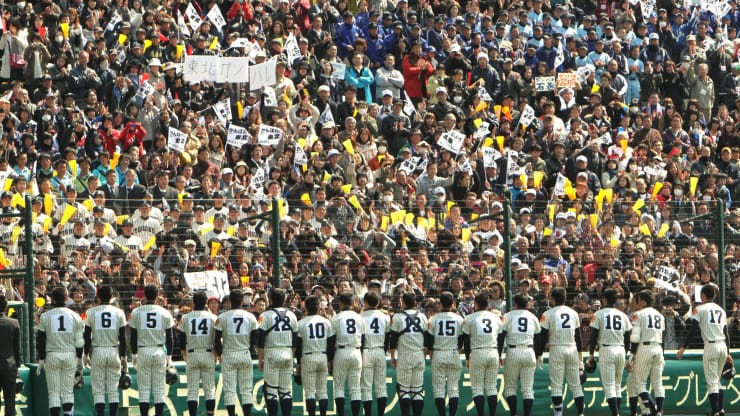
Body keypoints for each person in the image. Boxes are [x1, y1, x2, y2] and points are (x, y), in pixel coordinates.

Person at [677, 284, 733, 416]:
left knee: (712, 382)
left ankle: (715, 412)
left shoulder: (699, 309)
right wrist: (728, 352)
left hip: (711, 346)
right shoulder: (721, 310)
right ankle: (721, 409)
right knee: (717, 380)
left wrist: (683, 347)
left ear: (703, 295)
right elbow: (727, 333)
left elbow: (692, 330)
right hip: (723, 346)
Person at [37, 286, 85, 416]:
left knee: (54, 393)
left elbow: (40, 339)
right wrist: (80, 359)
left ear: (52, 299)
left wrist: (41, 358)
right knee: (67, 392)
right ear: (66, 298)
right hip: (70, 354)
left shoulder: (45, 316)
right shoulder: (75, 316)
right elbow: (80, 341)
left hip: (52, 354)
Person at [128, 284, 175, 416]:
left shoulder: (136, 312)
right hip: (159, 350)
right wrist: (169, 359)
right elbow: (170, 338)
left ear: (144, 295)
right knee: (159, 390)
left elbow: (133, 337)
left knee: (144, 390)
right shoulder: (164, 312)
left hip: (143, 350)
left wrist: (134, 355)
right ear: (157, 294)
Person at [537, 287, 585, 416]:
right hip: (572, 348)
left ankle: (558, 414)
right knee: (576, 384)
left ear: (553, 298)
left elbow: (542, 336)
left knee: (557, 385)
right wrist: (581, 358)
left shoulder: (548, 314)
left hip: (557, 348)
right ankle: (580, 413)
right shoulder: (573, 313)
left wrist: (539, 354)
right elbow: (578, 337)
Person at [83, 285, 127, 416]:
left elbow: (86, 336)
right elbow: (123, 338)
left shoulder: (91, 312)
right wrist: (123, 356)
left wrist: (85, 354)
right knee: (113, 390)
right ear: (112, 296)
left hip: (98, 350)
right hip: (114, 350)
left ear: (98, 297)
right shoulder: (119, 312)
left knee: (98, 391)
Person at [214, 289, 258, 416]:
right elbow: (255, 337)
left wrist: (220, 353)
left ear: (229, 301)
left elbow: (216, 339)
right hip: (244, 353)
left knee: (229, 391)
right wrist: (248, 348)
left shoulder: (222, 317)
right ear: (243, 301)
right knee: (246, 390)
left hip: (228, 353)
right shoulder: (250, 316)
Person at [589, 289, 632, 416]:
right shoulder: (623, 315)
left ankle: (615, 414)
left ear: (605, 300)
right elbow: (628, 336)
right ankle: (616, 413)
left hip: (607, 350)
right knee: (617, 385)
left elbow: (593, 336)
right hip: (621, 350)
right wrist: (627, 353)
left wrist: (591, 354)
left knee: (609, 386)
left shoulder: (599, 314)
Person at [256, 288, 298, 416]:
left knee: (271, 391)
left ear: (271, 299)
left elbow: (261, 339)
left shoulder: (265, 315)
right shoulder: (292, 315)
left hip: (272, 353)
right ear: (284, 299)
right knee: (286, 391)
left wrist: (260, 358)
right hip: (287, 352)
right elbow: (295, 339)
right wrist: (291, 355)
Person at [462, 291, 503, 416]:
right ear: (487, 303)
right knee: (491, 387)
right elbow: (501, 338)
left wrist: (467, 357)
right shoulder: (496, 317)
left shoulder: (469, 318)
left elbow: (466, 339)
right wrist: (499, 354)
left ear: (475, 303)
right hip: (493, 351)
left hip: (477, 352)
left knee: (477, 388)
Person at [178, 291, 217, 416]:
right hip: (208, 352)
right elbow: (217, 339)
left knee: (192, 390)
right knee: (210, 389)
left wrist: (184, 353)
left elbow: (181, 339)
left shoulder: (186, 317)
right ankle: (210, 414)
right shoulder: (213, 317)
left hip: (192, 353)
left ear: (193, 303)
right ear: (206, 303)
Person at [501, 294, 541, 416]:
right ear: (527, 304)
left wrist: (498, 354)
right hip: (529, 351)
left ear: (515, 304)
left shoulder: (508, 316)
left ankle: (514, 414)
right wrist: (539, 355)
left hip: (513, 351)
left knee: (510, 388)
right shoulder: (533, 317)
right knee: (527, 389)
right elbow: (539, 337)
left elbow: (501, 335)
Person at [389, 291, 428, 416]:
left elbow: (393, 339)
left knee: (404, 389)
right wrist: (424, 354)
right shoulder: (422, 316)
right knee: (417, 390)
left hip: (404, 355)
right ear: (415, 302)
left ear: (403, 302)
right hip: (419, 354)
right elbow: (427, 339)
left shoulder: (398, 317)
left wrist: (392, 356)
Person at [425, 291, 463, 416]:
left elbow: (429, 341)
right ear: (453, 304)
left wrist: (430, 355)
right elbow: (462, 339)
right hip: (453, 352)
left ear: (440, 304)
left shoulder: (433, 319)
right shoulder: (459, 319)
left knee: (439, 389)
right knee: (453, 388)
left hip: (438, 353)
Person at [628, 290, 666, 416]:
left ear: (643, 301)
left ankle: (654, 408)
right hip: (659, 347)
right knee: (657, 383)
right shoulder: (660, 315)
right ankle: (660, 411)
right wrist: (663, 354)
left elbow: (635, 338)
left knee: (639, 384)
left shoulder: (638, 314)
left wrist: (632, 356)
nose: (637, 302)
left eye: (638, 299)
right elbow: (663, 336)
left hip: (645, 348)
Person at [295, 295, 333, 416]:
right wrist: (330, 359)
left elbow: (299, 345)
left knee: (310, 392)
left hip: (308, 356)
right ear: (319, 308)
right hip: (323, 356)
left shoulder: (301, 323)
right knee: (322, 391)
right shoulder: (326, 322)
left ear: (305, 307)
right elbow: (331, 343)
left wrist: (299, 363)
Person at [329, 292, 365, 416]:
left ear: (341, 303)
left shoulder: (337, 317)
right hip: (356, 351)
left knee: (339, 387)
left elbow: (331, 340)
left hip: (341, 351)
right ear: (352, 303)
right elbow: (364, 338)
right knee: (355, 388)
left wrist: (330, 359)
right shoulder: (359, 317)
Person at [0, 294, 21, 416]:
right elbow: (17, 348)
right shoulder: (14, 323)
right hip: (9, 365)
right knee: (10, 402)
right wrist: (17, 365)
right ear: (6, 307)